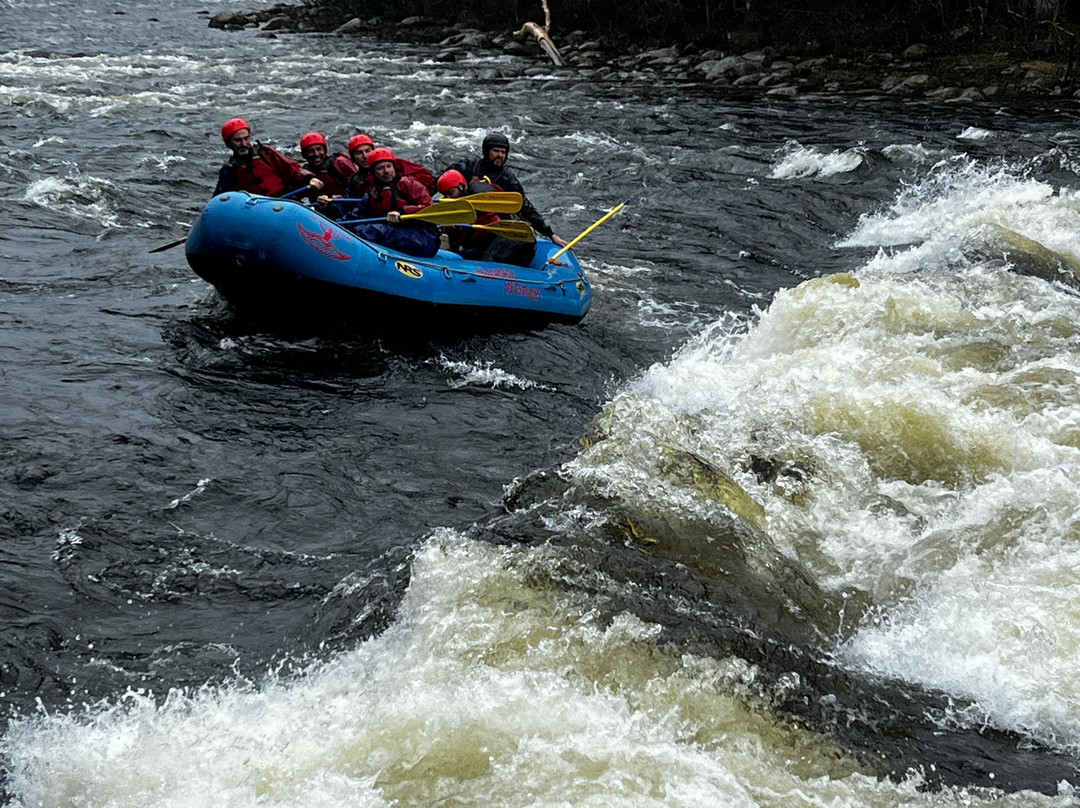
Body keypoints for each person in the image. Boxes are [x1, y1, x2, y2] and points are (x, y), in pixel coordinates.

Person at [444, 132, 568, 247]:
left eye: (503, 152)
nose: (500, 155)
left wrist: (550, 234)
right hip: (464, 220)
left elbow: (525, 207)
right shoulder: (469, 166)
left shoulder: (508, 178)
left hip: (490, 226)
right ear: (487, 152)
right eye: (496, 151)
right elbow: (443, 182)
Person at [332, 147, 439, 258]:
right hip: (399, 234)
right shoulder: (373, 193)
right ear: (373, 172)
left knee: (371, 231)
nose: (386, 171)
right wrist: (334, 225)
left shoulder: (409, 183)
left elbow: (428, 208)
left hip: (424, 238)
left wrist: (402, 212)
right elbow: (356, 216)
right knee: (358, 228)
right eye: (380, 168)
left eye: (389, 166)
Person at [436, 169, 536, 266]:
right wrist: (449, 231)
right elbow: (456, 248)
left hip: (514, 237)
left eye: (451, 193)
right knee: (466, 256)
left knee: (487, 261)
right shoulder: (451, 211)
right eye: (445, 195)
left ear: (461, 187)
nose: (448, 198)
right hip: (487, 243)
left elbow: (503, 211)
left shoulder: (478, 191)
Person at [213, 117, 323, 198]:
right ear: (228, 144)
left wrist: (309, 177)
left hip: (286, 201)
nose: (243, 143)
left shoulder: (266, 153)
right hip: (259, 211)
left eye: (246, 138)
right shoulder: (229, 170)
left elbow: (291, 167)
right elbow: (221, 199)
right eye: (238, 140)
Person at [299, 131, 357, 197]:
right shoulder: (305, 173)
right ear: (304, 155)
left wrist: (343, 197)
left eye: (319, 149)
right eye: (311, 151)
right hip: (320, 206)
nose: (316, 154)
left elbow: (358, 188)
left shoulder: (340, 163)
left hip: (346, 203)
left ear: (325, 150)